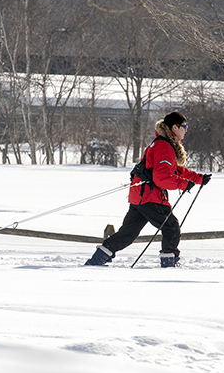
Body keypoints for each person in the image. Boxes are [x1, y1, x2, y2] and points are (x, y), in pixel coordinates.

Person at [85, 111, 211, 268]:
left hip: (140, 196)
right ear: (175, 127)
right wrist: (184, 184)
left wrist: (198, 178)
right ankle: (168, 264)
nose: (186, 130)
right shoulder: (164, 146)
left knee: (127, 234)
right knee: (171, 227)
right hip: (151, 196)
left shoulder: (161, 143)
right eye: (184, 127)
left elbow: (174, 170)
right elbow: (162, 176)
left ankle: (96, 260)